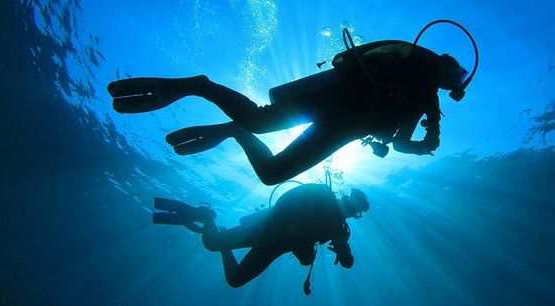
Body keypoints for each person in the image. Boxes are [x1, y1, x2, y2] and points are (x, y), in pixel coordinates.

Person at [108, 40, 470, 185]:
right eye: (458, 74)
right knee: (259, 123)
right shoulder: (417, 76)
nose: (459, 82)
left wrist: (424, 145)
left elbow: (401, 143)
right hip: (332, 103)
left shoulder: (427, 102)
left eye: (461, 79)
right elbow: (404, 135)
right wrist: (429, 131)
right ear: (446, 65)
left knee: (271, 172)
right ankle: (200, 86)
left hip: (339, 130)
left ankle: (232, 127)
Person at [152, 184, 369, 291]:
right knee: (210, 243)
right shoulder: (323, 194)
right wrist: (285, 229)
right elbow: (286, 201)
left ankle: (214, 229)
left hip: (272, 248)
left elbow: (348, 263)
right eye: (352, 204)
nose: (351, 210)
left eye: (355, 210)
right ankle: (206, 216)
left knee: (235, 280)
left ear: (356, 215)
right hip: (264, 229)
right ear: (346, 196)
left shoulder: (339, 231)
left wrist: (345, 252)